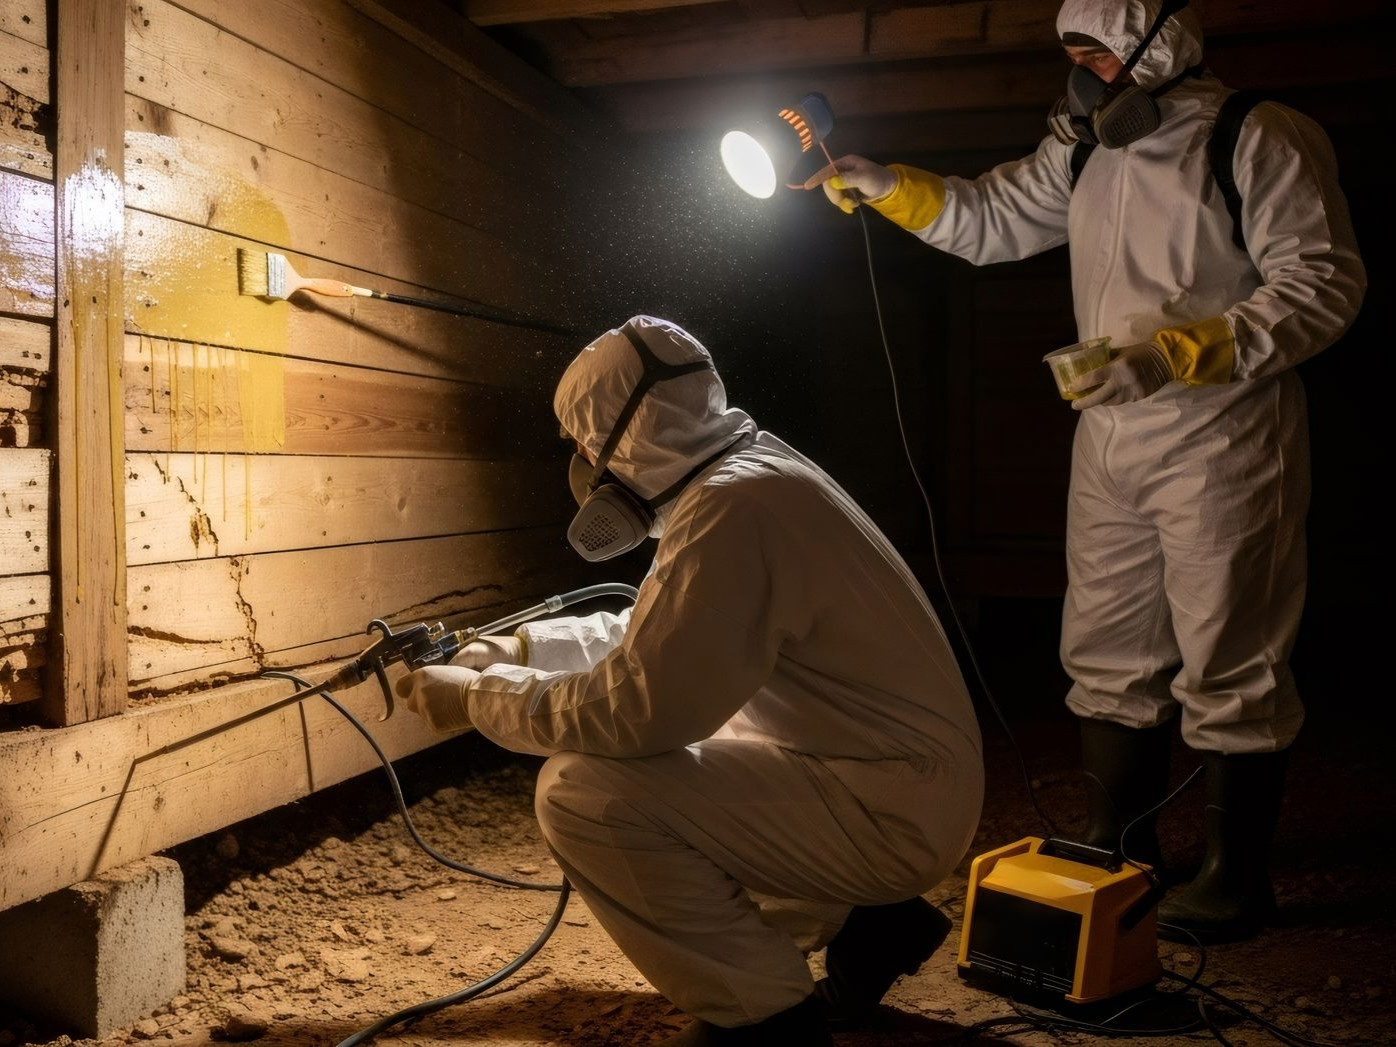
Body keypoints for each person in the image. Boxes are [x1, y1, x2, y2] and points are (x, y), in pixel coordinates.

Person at [804, 0, 1365, 942]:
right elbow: (991, 217)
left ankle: (1235, 876)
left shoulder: (1256, 133)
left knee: (1231, 653)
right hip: (1110, 434)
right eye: (1071, 53)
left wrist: (1180, 353)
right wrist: (889, 185)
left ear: (1163, 47)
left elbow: (1321, 284)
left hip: (1224, 433)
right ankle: (1118, 845)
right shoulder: (1086, 149)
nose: (1080, 72)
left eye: (1096, 52)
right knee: (1104, 645)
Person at [393, 315, 984, 1044]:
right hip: (891, 781)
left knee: (589, 792)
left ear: (622, 436)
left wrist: (478, 697)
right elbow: (665, 633)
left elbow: (641, 709)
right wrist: (515, 647)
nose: (583, 461)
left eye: (583, 439)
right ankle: (872, 923)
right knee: (696, 733)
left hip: (886, 810)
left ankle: (764, 1019)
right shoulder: (748, 476)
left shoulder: (734, 509)